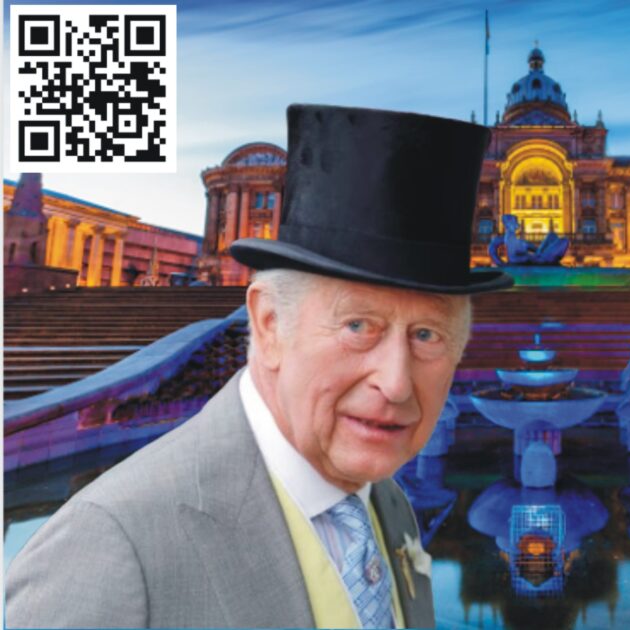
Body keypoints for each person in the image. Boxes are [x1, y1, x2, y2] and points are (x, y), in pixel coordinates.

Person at [5, 105, 513, 628]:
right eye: (358, 326)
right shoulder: (105, 545)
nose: (396, 383)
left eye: (427, 334)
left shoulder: (388, 504)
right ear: (269, 325)